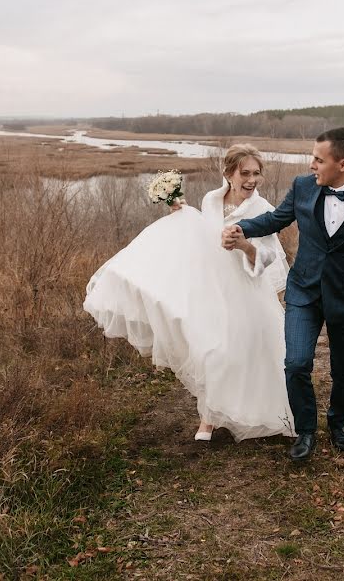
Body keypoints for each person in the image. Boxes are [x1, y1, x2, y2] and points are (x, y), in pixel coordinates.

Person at [223, 127, 344, 461]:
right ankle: (306, 430)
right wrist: (244, 229)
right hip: (304, 292)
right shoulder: (302, 187)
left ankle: (338, 424)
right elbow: (276, 218)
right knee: (296, 363)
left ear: (343, 163)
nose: (311, 164)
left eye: (318, 159)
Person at [84, 144, 295, 442]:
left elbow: (270, 255)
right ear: (228, 173)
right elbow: (203, 236)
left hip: (245, 292)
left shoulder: (263, 210)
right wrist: (182, 214)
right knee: (208, 349)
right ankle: (208, 419)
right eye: (244, 173)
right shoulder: (211, 200)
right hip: (211, 289)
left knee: (238, 354)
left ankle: (243, 413)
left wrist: (245, 245)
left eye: (256, 174)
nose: (251, 180)